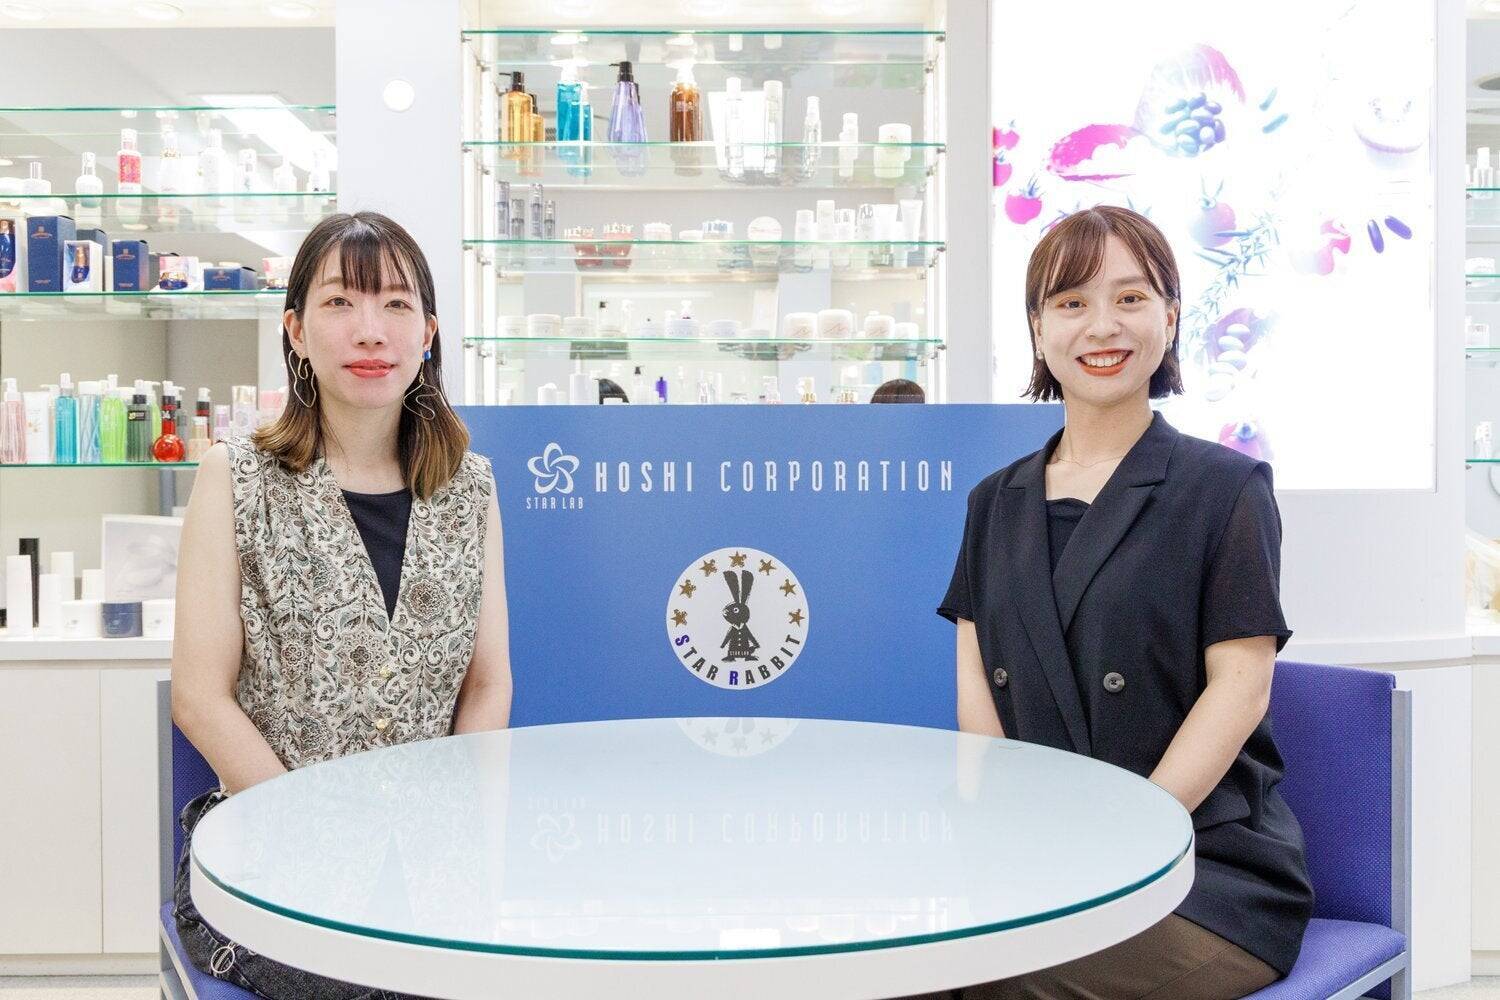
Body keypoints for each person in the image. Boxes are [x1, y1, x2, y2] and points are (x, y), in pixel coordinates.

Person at [933, 206, 1312, 999]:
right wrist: (994, 852)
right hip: (1036, 863)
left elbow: (1242, 690)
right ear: (1038, 329)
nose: (1102, 325)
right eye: (1072, 302)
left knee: (993, 985)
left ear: (1170, 318)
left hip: (1199, 877)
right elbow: (978, 702)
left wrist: (1125, 844)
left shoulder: (1225, 488)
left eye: (1130, 298)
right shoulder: (993, 502)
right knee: (894, 965)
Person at [169, 211, 512, 999]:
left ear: (427, 334)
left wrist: (462, 838)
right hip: (272, 856)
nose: (370, 331)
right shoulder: (237, 478)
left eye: (396, 304)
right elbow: (199, 697)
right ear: (295, 330)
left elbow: (488, 682)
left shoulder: (470, 487)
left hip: (433, 857)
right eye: (339, 303)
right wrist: (312, 831)